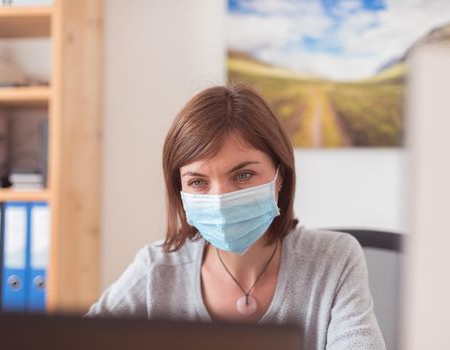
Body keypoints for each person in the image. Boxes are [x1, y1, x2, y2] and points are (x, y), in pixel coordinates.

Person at [86, 85, 386, 350]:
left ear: (280, 176)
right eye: (197, 182)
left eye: (243, 175)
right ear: (180, 189)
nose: (220, 199)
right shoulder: (156, 271)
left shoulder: (334, 259)